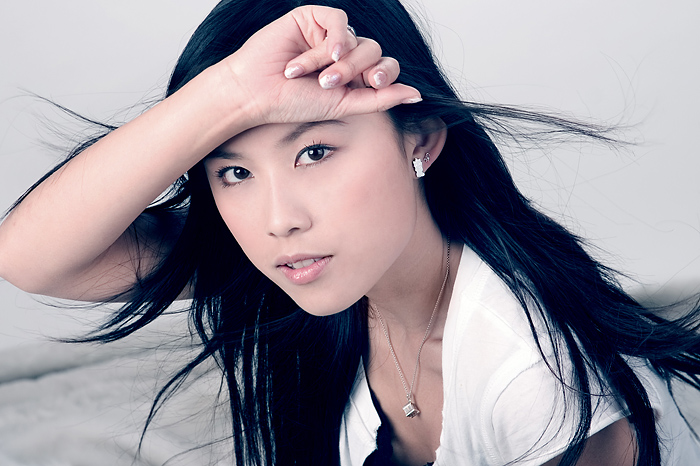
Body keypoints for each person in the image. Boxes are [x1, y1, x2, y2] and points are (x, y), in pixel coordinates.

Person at [1, 0, 699, 465]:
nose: (279, 219)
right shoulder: (304, 265)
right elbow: (31, 259)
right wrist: (226, 93)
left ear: (420, 141)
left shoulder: (537, 379)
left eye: (315, 152)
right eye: (233, 172)